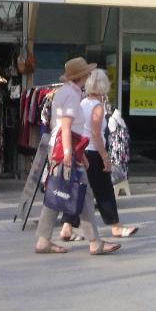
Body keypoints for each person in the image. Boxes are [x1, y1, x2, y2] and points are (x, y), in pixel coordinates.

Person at [34, 57, 121, 256]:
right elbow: (66, 126)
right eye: (86, 73)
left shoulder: (65, 92)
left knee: (61, 194)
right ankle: (94, 242)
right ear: (81, 76)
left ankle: (46, 239)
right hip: (67, 150)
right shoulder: (72, 95)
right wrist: (69, 154)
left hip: (67, 149)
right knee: (78, 193)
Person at [59, 68, 138, 242]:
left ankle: (67, 226)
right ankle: (115, 226)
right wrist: (105, 157)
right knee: (105, 191)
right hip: (93, 152)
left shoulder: (83, 102)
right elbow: (96, 134)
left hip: (82, 151)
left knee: (78, 190)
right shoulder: (97, 107)